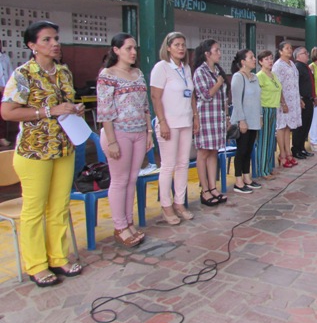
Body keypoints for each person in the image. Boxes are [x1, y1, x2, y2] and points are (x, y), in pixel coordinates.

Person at [1, 20, 85, 286]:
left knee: (59, 206)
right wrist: (48, 111)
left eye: (56, 38)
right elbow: (7, 112)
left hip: (63, 147)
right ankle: (36, 265)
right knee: (35, 209)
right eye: (47, 40)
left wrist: (74, 109)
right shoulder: (23, 74)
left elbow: (65, 104)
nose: (55, 43)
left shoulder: (63, 72)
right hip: (34, 151)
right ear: (32, 45)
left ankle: (58, 257)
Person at [97, 33, 153, 247]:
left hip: (139, 133)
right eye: (128, 48)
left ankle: (129, 222)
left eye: (134, 48)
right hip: (118, 133)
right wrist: (112, 141)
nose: (133, 52)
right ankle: (120, 226)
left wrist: (149, 132)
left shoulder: (138, 74)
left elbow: (145, 106)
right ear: (116, 50)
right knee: (119, 180)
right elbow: (105, 111)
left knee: (132, 179)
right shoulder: (108, 75)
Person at [150, 32, 198, 225]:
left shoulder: (186, 68)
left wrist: (195, 116)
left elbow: (191, 94)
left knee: (183, 164)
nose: (181, 48)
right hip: (168, 124)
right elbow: (155, 97)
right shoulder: (161, 67)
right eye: (177, 45)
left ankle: (179, 202)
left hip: (185, 121)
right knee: (168, 165)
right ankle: (166, 206)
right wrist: (162, 121)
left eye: (183, 45)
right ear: (168, 47)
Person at [192, 39, 228, 206]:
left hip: (217, 117)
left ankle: (213, 187)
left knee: (213, 152)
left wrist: (226, 117)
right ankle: (205, 190)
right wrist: (218, 83)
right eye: (216, 50)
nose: (219, 53)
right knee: (203, 153)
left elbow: (224, 97)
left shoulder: (217, 71)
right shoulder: (200, 72)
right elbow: (205, 95)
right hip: (206, 117)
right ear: (207, 54)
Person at [230, 49, 262, 194]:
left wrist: (260, 116)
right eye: (251, 57)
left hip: (254, 119)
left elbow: (258, 98)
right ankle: (238, 181)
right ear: (243, 62)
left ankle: (247, 178)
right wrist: (241, 120)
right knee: (241, 150)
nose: (254, 59)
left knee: (249, 150)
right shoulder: (238, 77)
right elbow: (236, 101)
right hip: (243, 120)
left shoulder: (254, 77)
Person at [273, 41, 302, 165]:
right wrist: (283, 102)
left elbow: (295, 84)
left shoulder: (292, 64)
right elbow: (277, 85)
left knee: (288, 127)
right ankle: (282, 154)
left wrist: (299, 99)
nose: (290, 50)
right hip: (283, 101)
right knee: (281, 127)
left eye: (291, 48)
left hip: (293, 100)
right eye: (287, 48)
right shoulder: (278, 65)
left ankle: (288, 152)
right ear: (280, 51)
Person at [256, 50, 281, 180]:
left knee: (271, 140)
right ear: (260, 62)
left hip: (273, 108)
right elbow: (257, 95)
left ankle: (269, 167)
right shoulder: (259, 76)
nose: (270, 61)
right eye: (266, 59)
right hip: (264, 109)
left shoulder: (273, 75)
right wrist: (259, 114)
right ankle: (263, 170)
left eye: (271, 58)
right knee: (264, 140)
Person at [288, 46, 311, 161]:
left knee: (306, 125)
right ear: (298, 56)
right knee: (299, 127)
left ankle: (302, 147)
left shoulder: (306, 67)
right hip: (301, 100)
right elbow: (296, 85)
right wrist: (300, 98)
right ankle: (296, 149)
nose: (307, 55)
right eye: (305, 53)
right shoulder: (297, 67)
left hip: (309, 99)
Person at [0, 42, 12, 147]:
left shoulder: (5, 57)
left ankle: (2, 137)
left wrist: (8, 87)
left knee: (3, 115)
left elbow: (10, 73)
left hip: (5, 90)